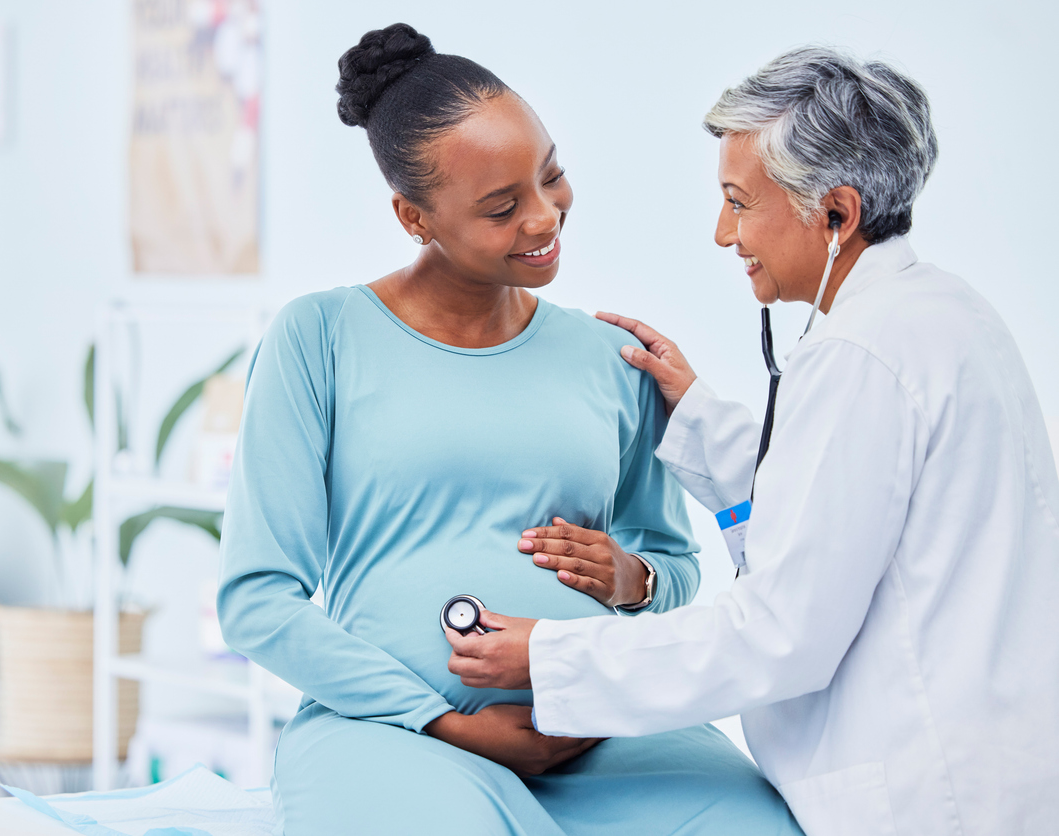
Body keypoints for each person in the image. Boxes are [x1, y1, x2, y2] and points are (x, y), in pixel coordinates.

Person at [444, 47, 1059, 836]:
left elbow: (780, 634)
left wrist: (551, 656)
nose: (722, 234)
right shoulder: (943, 315)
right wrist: (696, 412)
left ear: (835, 214)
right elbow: (853, 513)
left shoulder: (863, 353)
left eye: (738, 202)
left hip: (924, 798)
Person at [217, 23, 802, 836]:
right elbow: (257, 600)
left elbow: (672, 564)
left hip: (603, 727)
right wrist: (444, 721)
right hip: (395, 735)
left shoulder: (609, 357)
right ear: (413, 217)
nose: (543, 217)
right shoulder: (318, 338)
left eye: (550, 175)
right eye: (501, 207)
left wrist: (631, 578)